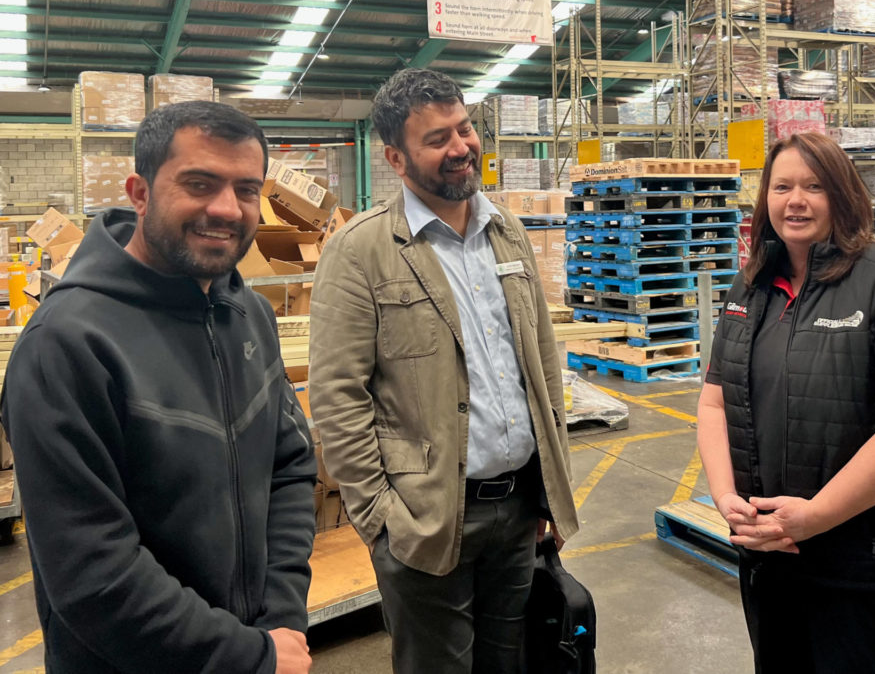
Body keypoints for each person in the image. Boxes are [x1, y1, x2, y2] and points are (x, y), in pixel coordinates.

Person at [1, 101, 317, 674]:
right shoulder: (66, 344)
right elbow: (93, 574)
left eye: (246, 189)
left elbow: (290, 465)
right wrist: (248, 655)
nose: (226, 208)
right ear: (139, 192)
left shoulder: (249, 313)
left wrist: (281, 617)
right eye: (199, 184)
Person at [309, 68, 579, 674]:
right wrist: (382, 519)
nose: (461, 147)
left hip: (516, 512)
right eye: (438, 139)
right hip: (424, 518)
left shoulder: (504, 230)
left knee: (507, 664)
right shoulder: (360, 252)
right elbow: (336, 398)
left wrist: (550, 490)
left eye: (464, 129)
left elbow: (540, 363)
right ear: (396, 159)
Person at [697, 131, 875, 674]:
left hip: (857, 559)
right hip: (766, 551)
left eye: (814, 186)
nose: (796, 200)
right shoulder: (750, 289)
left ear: (842, 196)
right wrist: (726, 499)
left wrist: (813, 517)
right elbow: (715, 404)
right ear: (765, 198)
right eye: (783, 186)